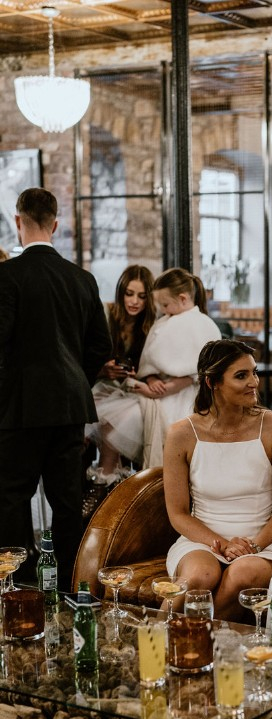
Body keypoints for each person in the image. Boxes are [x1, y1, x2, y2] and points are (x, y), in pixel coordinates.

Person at [0, 188, 112, 589]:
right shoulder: (82, 279)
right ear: (56, 224)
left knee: (12, 496)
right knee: (67, 499)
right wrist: (76, 379)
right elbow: (101, 345)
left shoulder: (7, 276)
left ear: (19, 221)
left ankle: (18, 583)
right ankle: (68, 581)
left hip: (19, 406)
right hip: (69, 405)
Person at [163, 339, 272, 623]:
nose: (254, 382)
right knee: (200, 575)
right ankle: (152, 633)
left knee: (242, 573)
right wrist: (223, 545)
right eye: (241, 375)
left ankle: (196, 639)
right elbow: (178, 513)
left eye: (254, 372)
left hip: (262, 544)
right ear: (212, 383)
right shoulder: (181, 434)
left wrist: (253, 546)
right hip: (201, 541)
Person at [88, 267, 219, 471]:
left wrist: (160, 388)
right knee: (111, 420)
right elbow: (150, 363)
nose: (164, 310)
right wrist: (150, 378)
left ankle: (112, 476)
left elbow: (196, 373)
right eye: (129, 294)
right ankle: (108, 477)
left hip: (181, 397)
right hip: (156, 391)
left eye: (165, 305)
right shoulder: (163, 322)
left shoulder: (199, 325)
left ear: (183, 299)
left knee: (121, 421)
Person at [87, 264, 157, 482]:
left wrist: (141, 374)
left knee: (124, 416)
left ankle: (106, 479)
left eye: (141, 296)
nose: (134, 301)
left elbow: (153, 365)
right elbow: (86, 357)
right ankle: (106, 479)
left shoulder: (151, 326)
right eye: (129, 294)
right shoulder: (106, 315)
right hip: (101, 385)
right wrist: (104, 369)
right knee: (93, 415)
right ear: (120, 293)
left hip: (131, 390)